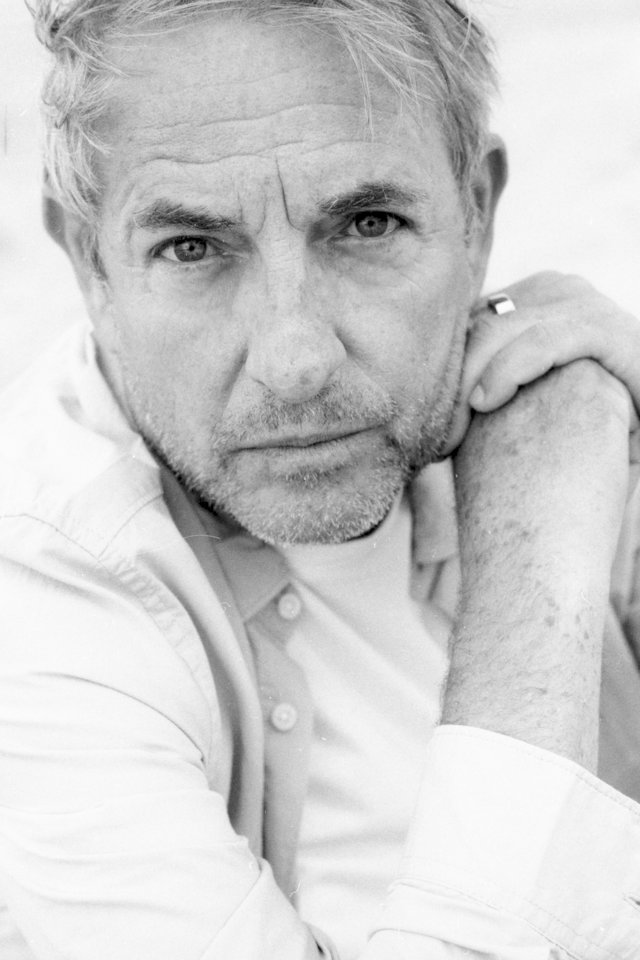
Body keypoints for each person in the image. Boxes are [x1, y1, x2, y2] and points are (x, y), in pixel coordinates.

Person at [1, 1, 640, 957]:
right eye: (192, 248)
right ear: (88, 263)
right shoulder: (36, 596)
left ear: (476, 213)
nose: (295, 360)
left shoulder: (555, 404)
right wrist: (534, 563)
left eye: (367, 225)